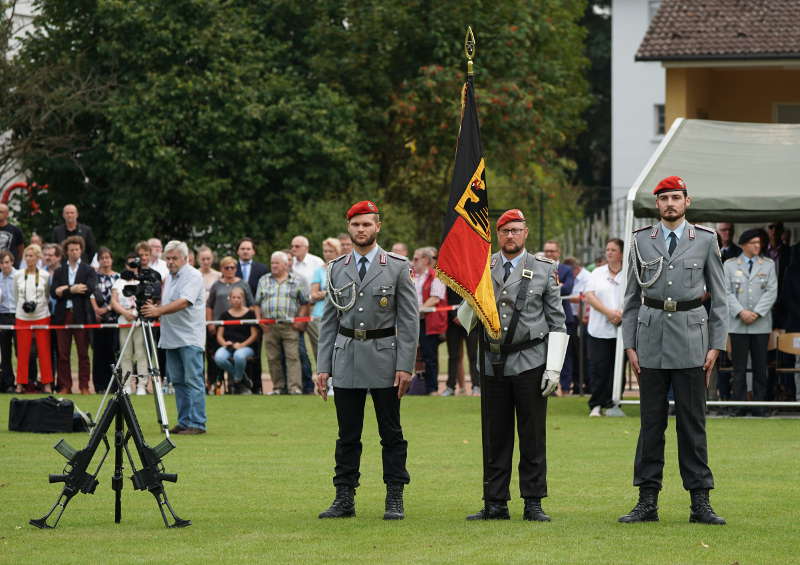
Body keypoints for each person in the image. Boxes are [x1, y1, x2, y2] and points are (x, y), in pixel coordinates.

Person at [620, 175, 727, 525]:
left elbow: (720, 299)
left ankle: (700, 503)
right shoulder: (640, 241)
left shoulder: (706, 240)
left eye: (676, 197)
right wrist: (630, 344)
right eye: (664, 198)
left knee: (692, 425)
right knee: (651, 426)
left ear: (687, 201)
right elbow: (632, 298)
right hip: (650, 340)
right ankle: (647, 501)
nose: (670, 203)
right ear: (657, 204)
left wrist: (715, 344)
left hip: (691, 340)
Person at [315, 200, 418, 520]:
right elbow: (329, 321)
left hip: (385, 357)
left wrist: (405, 365)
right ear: (349, 228)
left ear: (378, 226)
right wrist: (322, 367)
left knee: (391, 432)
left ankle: (394, 496)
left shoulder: (398, 266)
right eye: (356, 224)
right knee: (347, 434)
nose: (361, 230)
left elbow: (410, 320)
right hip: (346, 357)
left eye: (367, 224)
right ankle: (344, 497)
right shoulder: (336, 267)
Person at [465, 209, 567, 523]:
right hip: (493, 361)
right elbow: (466, 320)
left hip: (531, 361)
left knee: (532, 435)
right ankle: (495, 502)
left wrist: (554, 368)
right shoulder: (483, 267)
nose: (511, 236)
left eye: (516, 230)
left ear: (526, 233)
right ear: (498, 235)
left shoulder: (543, 268)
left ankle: (533, 501)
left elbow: (557, 322)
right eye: (506, 231)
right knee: (494, 436)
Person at [141, 240, 207, 435]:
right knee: (177, 381)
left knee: (193, 380)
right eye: (167, 258)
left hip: (189, 337)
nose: (170, 262)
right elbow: (167, 300)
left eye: (174, 258)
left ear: (186, 259)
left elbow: (184, 302)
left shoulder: (193, 276)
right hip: (171, 337)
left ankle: (198, 423)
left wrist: (157, 310)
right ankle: (184, 421)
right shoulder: (168, 278)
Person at [724, 228, 777, 416]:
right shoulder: (730, 265)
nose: (758, 246)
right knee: (738, 368)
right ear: (744, 244)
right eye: (753, 243)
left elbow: (772, 291)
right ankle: (738, 406)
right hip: (738, 324)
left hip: (760, 324)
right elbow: (726, 292)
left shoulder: (768, 264)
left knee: (760, 367)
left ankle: (760, 406)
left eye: (759, 243)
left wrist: (755, 313)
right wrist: (741, 312)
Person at [254, 251, 309, 395]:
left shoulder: (297, 280)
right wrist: (260, 321)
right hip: (269, 326)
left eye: (277, 263)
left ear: (286, 265)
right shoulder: (264, 280)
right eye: (272, 263)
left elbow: (304, 303)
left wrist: (299, 320)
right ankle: (278, 387)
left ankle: (294, 388)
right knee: (273, 358)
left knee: (293, 357)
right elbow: (257, 304)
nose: (273, 266)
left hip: (290, 326)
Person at [51, 236, 99, 394]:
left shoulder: (88, 270)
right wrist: (72, 289)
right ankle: (65, 385)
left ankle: (84, 386)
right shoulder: (59, 271)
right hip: (62, 315)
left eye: (77, 249)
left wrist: (64, 290)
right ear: (66, 251)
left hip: (81, 315)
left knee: (83, 353)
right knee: (63, 354)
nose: (74, 252)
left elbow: (89, 289)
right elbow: (54, 292)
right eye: (71, 249)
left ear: (81, 250)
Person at [583, 239, 624, 416]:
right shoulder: (597, 273)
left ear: (621, 253)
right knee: (599, 367)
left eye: (613, 250)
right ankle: (596, 404)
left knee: (619, 368)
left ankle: (613, 402)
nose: (609, 253)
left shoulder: (629, 273)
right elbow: (589, 296)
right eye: (607, 250)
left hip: (622, 330)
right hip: (599, 330)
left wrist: (621, 314)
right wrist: (609, 313)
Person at [206, 256, 254, 391]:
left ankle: (237, 382)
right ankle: (223, 383)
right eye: (226, 267)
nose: (229, 270)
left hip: (241, 332)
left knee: (239, 356)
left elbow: (252, 305)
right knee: (216, 357)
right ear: (222, 269)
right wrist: (210, 323)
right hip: (220, 325)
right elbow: (209, 305)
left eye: (232, 267)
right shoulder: (217, 285)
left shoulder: (243, 284)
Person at [13, 244, 53, 393]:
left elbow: (47, 295)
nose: (29, 258)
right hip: (22, 317)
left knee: (44, 351)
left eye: (32, 256)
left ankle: (47, 383)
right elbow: (16, 295)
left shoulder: (45, 275)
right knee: (22, 352)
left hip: (42, 316)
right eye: (27, 256)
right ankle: (20, 383)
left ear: (38, 258)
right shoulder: (18, 274)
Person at [111, 253, 149, 395]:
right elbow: (114, 301)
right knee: (126, 354)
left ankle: (141, 385)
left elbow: (148, 300)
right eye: (130, 264)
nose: (132, 267)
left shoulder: (141, 280)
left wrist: (136, 313)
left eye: (135, 264)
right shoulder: (119, 282)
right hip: (124, 321)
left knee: (141, 353)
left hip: (139, 321)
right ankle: (126, 384)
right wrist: (125, 313)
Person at [290, 235, 323, 394]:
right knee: (299, 351)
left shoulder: (316, 262)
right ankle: (307, 385)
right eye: (292, 246)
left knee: (319, 348)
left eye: (297, 246)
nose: (294, 249)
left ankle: (326, 383)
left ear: (306, 248)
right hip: (297, 312)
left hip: (316, 310)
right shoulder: (290, 264)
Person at [542, 240, 576, 395]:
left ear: (558, 252)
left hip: (565, 317)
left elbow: (568, 288)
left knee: (565, 354)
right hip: (543, 318)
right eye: (546, 251)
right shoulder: (540, 267)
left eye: (552, 251)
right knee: (545, 354)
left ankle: (566, 387)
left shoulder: (566, 269)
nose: (549, 254)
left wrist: (551, 288)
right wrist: (557, 286)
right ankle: (549, 388)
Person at [412, 246, 447, 394]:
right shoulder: (415, 276)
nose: (413, 262)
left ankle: (432, 388)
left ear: (425, 260)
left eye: (416, 259)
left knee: (429, 355)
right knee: (418, 355)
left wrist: (416, 310)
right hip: (417, 320)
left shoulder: (436, 276)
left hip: (429, 321)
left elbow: (435, 298)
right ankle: (421, 386)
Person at [213, 286, 258, 394]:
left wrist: (242, 345)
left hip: (246, 346)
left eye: (239, 297)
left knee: (239, 356)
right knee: (219, 357)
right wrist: (224, 343)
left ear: (243, 299)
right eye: (234, 297)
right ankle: (242, 378)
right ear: (230, 299)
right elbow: (219, 335)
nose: (236, 300)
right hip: (229, 346)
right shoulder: (225, 315)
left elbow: (254, 335)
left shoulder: (250, 314)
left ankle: (237, 381)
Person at [91, 247, 119, 393]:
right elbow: (90, 294)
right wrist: (96, 309)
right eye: (102, 258)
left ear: (112, 259)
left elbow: (119, 297)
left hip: (114, 319)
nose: (105, 260)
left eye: (108, 257)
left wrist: (108, 308)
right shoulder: (94, 276)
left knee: (113, 353)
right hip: (98, 320)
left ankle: (114, 386)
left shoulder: (118, 277)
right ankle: (100, 386)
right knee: (98, 354)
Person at [308, 237, 341, 358]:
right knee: (322, 347)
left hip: (340, 313)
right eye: (325, 251)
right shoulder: (319, 271)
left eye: (330, 251)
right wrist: (329, 293)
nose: (327, 254)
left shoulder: (344, 268)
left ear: (337, 252)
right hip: (320, 314)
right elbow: (314, 294)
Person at [442, 287, 478, 397]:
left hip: (470, 321)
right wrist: (455, 315)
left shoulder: (471, 277)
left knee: (473, 356)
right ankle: (450, 387)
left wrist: (465, 317)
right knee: (453, 356)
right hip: (453, 323)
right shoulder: (450, 278)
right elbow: (446, 299)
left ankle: (476, 386)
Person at [0, 251, 17, 392]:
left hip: (19, 316)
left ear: (12, 261)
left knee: (22, 351)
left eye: (7, 262)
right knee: (5, 353)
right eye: (1, 263)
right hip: (3, 315)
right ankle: (8, 383)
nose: (4, 265)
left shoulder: (19, 276)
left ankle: (27, 381)